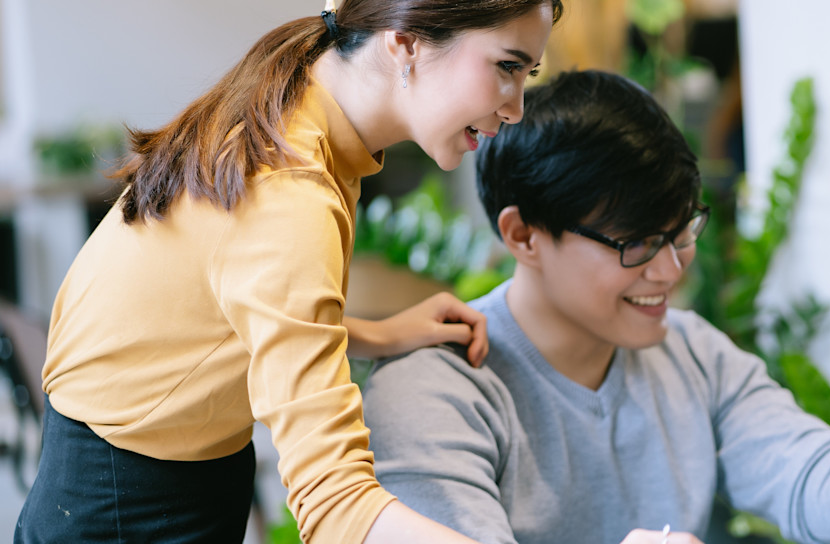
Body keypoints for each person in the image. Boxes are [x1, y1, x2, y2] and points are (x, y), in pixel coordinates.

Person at [362, 70, 830, 544]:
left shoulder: (691, 351)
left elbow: (818, 486)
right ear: (524, 235)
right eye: (636, 244)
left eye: (680, 230)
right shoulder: (435, 392)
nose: (670, 269)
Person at [15, 1, 562, 543]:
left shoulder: (301, 104)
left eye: (527, 73)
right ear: (405, 40)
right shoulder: (287, 195)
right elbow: (336, 508)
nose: (515, 107)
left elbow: (229, 304)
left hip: (163, 469)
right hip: (125, 508)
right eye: (507, 67)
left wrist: (374, 333)